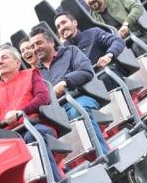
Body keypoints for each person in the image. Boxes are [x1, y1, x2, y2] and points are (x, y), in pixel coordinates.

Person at [0, 44, 63, 180]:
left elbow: (43, 98)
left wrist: (20, 112)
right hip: (12, 136)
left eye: (4, 58)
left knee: (30, 138)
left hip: (35, 125)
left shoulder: (30, 74)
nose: (0, 62)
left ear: (17, 62)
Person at [30, 26, 110, 155]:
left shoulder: (70, 52)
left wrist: (65, 82)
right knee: (40, 133)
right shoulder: (35, 74)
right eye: (33, 46)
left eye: (39, 43)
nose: (36, 48)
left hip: (78, 98)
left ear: (51, 42)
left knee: (76, 111)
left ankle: (103, 154)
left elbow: (86, 71)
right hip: (55, 112)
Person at [81, 0, 147, 42]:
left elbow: (137, 7)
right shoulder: (91, 19)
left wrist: (126, 24)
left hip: (137, 36)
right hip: (117, 46)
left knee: (136, 47)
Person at [54, 12, 125, 69]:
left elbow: (117, 41)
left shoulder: (93, 32)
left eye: (64, 22)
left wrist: (108, 56)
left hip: (105, 72)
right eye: (58, 27)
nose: (62, 28)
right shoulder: (63, 51)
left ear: (75, 23)